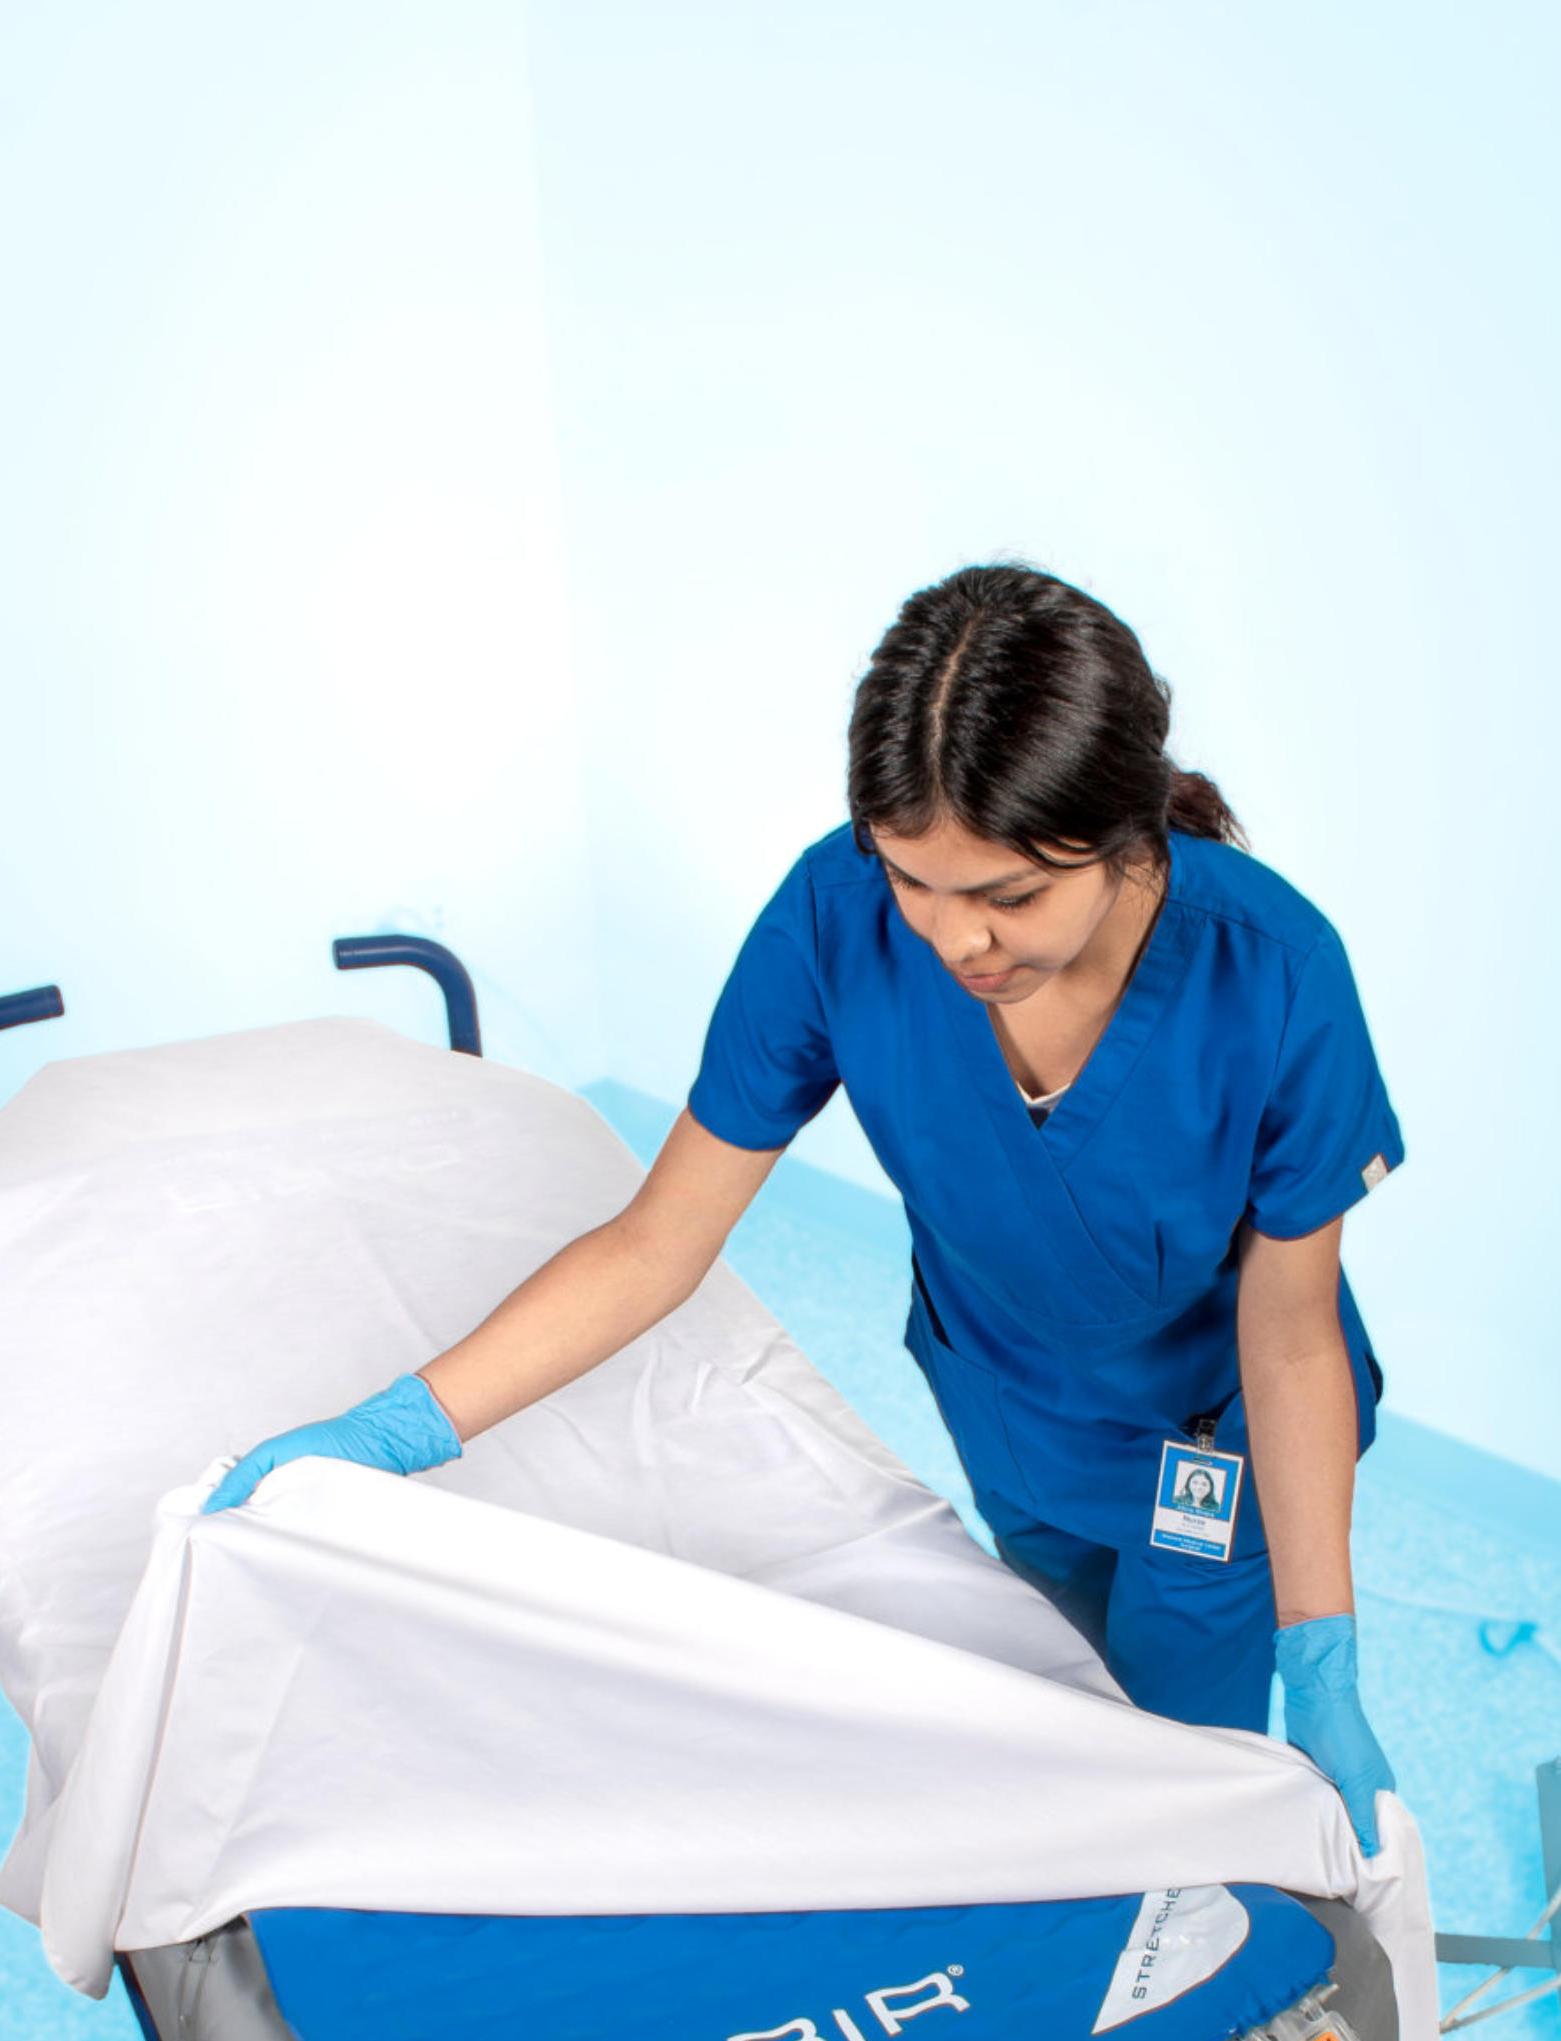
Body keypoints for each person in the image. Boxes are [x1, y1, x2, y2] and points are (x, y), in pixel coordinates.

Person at [209, 567, 1402, 1848]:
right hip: (1008, 1408)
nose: (955, 942)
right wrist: (400, 1425)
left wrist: (1320, 1658)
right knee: (1061, 1710)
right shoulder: (834, 919)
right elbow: (657, 1240)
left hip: (1215, 1450)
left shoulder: (1272, 974)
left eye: (1009, 897)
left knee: (1182, 1785)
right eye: (913, 881)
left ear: (1123, 838)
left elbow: (1290, 1337)